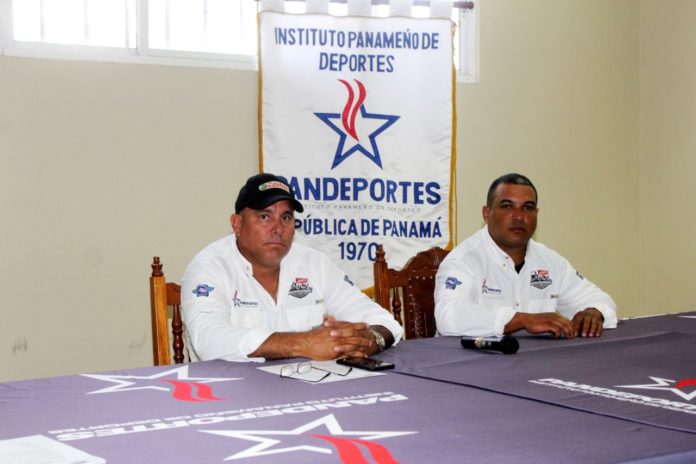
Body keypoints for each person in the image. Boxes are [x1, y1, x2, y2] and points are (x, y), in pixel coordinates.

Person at [181, 173, 403, 362]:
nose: (277, 228)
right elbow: (208, 339)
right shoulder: (209, 267)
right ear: (237, 224)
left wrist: (367, 340)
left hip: (309, 387)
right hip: (232, 391)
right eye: (264, 217)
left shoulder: (314, 263)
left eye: (286, 217)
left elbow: (384, 322)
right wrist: (303, 343)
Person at [435, 173, 617, 339]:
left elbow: (597, 298)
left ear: (536, 214)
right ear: (486, 213)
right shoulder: (463, 260)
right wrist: (522, 320)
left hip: (538, 360)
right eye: (507, 206)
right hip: (476, 361)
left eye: (528, 208)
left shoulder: (550, 261)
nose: (519, 217)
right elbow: (448, 316)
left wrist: (593, 312)